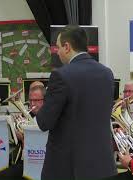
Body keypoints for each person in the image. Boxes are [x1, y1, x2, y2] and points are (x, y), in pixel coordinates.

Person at [36, 25, 117, 180]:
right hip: (102, 165)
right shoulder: (107, 73)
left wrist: (43, 105)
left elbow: (44, 122)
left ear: (67, 47)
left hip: (69, 168)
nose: (57, 52)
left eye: (58, 47)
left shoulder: (61, 75)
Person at [0, 81, 46, 180]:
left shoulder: (50, 117)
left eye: (37, 100)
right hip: (26, 162)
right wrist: (14, 131)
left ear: (45, 100)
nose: (33, 104)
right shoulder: (26, 117)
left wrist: (26, 137)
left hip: (43, 163)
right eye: (31, 100)